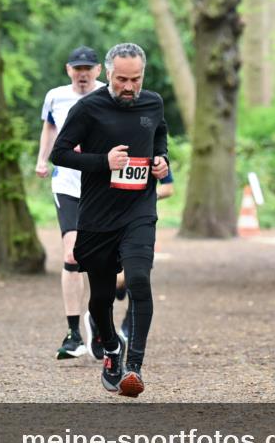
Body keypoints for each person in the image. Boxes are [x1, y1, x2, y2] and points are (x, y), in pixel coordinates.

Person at [50, 42, 169, 398]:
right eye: (121, 80)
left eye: (135, 79)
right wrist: (103, 162)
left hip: (139, 211)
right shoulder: (89, 108)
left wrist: (162, 160)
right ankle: (112, 353)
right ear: (109, 74)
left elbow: (159, 135)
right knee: (100, 299)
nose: (129, 87)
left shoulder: (153, 103)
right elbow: (60, 153)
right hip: (98, 216)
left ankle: (134, 367)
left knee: (138, 280)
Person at [34, 46, 105, 360]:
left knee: (103, 259)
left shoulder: (109, 96)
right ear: (68, 70)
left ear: (98, 70)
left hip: (101, 185)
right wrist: (42, 160)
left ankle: (99, 322)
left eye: (88, 67)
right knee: (72, 254)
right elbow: (49, 126)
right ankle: (74, 332)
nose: (82, 73)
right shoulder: (56, 96)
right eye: (77, 68)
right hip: (67, 184)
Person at [111, 170, 175, 347]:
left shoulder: (152, 152)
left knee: (139, 278)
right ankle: (118, 288)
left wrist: (143, 198)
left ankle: (128, 324)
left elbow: (168, 188)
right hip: (111, 222)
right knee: (118, 279)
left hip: (141, 225)